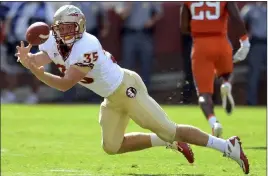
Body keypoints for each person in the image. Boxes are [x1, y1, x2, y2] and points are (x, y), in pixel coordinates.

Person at [16, 5, 249, 174]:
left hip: (127, 89)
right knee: (111, 146)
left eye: (69, 28)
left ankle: (228, 146)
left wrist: (36, 72)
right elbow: (42, 58)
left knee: (171, 129)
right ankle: (165, 141)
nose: (64, 33)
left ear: (80, 27)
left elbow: (66, 84)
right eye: (61, 28)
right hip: (111, 97)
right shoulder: (53, 39)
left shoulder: (87, 46)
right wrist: (29, 60)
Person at [180, 2, 250, 137]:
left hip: (200, 45)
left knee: (203, 94)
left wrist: (199, 28)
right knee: (227, 73)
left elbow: (183, 27)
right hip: (221, 41)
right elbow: (236, 17)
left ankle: (214, 123)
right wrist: (244, 41)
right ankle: (226, 84)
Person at [241, 2, 267, 106]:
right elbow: (239, 21)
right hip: (257, 43)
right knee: (254, 74)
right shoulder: (250, 9)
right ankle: (251, 102)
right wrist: (245, 36)